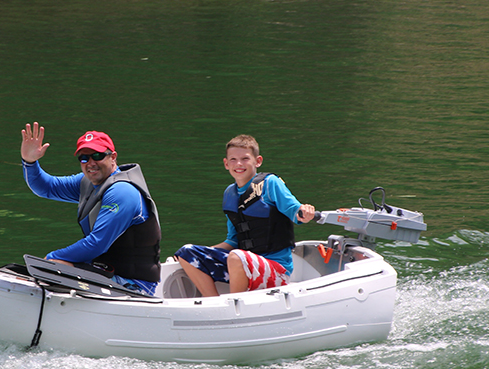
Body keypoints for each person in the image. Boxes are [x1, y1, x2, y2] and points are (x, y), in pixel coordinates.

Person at [20, 122, 161, 296]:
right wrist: (30, 161)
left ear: (113, 157)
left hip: (135, 285)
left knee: (53, 266)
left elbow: (96, 244)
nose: (90, 163)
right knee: (52, 267)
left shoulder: (123, 192)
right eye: (84, 158)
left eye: (97, 155)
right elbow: (46, 188)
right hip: (107, 271)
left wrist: (50, 258)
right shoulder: (88, 182)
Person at [174, 134, 316, 297]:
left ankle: (235, 306)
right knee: (186, 252)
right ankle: (213, 302)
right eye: (233, 159)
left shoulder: (270, 183)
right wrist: (205, 252)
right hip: (242, 264)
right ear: (226, 164)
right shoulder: (229, 194)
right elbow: (232, 241)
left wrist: (305, 212)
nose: (239, 164)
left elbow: (296, 212)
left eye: (245, 159)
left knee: (236, 257)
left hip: (276, 270)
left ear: (258, 161)